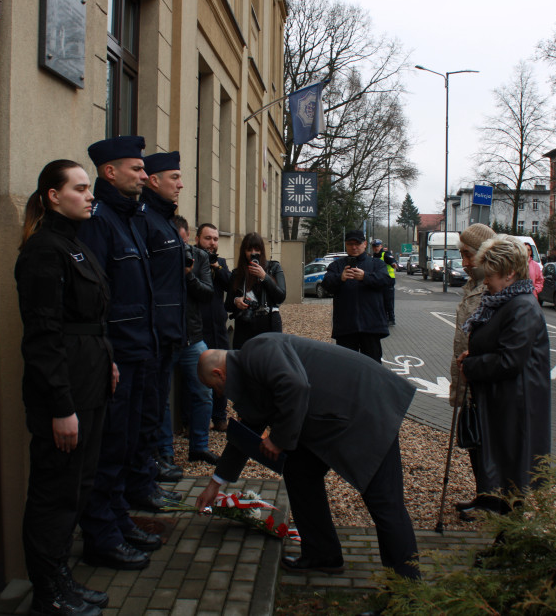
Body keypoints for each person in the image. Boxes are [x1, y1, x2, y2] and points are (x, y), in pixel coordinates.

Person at [195, 334, 420, 580]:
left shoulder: (257, 349)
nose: (218, 394)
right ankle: (322, 554)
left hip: (366, 406)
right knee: (299, 471)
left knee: (384, 503)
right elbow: (247, 430)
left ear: (219, 373)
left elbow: (295, 386)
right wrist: (215, 483)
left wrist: (278, 439)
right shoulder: (248, 371)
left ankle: (406, 588)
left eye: (213, 387)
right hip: (332, 417)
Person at [16, 160, 118, 615]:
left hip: (90, 383)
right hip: (64, 392)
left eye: (88, 188)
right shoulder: (43, 251)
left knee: (79, 485)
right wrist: (60, 405)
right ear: (53, 196)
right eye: (79, 188)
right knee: (55, 492)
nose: (90, 195)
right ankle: (48, 593)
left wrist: (107, 360)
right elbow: (43, 335)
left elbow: (91, 318)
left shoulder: (75, 245)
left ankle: (61, 579)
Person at [76, 136, 160, 571]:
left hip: (138, 352)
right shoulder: (99, 221)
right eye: (136, 168)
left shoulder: (129, 218)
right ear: (109, 172)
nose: (145, 175)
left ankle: (118, 519)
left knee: (125, 446)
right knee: (107, 450)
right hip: (116, 357)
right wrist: (106, 356)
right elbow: (95, 298)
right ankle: (101, 536)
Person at [458, 237, 551, 519]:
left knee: (514, 468)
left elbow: (510, 360)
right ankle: (499, 517)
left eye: (490, 274)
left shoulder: (522, 306)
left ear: (509, 273)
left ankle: (510, 533)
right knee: (503, 462)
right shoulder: (505, 301)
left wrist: (472, 365)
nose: (486, 281)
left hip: (516, 402)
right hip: (504, 397)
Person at [135, 151, 189, 496]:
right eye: (174, 177)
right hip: (152, 334)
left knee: (156, 406)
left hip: (168, 333)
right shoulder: (145, 220)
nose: (180, 184)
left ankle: (152, 467)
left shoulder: (165, 220)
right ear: (153, 181)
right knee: (147, 408)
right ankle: (146, 473)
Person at [448, 224, 496, 513]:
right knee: (475, 441)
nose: (464, 263)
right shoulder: (472, 286)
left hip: (484, 380)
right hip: (469, 377)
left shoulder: (494, 289)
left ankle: (493, 500)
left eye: (468, 255)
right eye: (462, 255)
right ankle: (483, 495)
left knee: (487, 444)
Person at [164, 215, 217, 465]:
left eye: (184, 243)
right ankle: (164, 452)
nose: (181, 248)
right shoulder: (158, 254)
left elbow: (207, 294)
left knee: (204, 392)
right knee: (160, 397)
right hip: (164, 338)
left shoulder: (199, 257)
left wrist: (188, 275)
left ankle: (199, 446)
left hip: (192, 337)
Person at [322, 230, 391, 362]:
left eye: (357, 244)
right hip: (346, 327)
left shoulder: (376, 264)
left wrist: (366, 277)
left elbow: (386, 281)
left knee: (372, 366)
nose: (354, 247)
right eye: (350, 244)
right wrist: (340, 278)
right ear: (345, 245)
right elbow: (326, 284)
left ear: (364, 244)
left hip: (371, 326)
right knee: (347, 366)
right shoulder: (336, 266)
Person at [196, 223, 231, 432]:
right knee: (199, 374)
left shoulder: (221, 263)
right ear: (198, 239)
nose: (212, 243)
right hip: (199, 327)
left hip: (219, 327)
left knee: (222, 372)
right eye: (208, 238)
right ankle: (199, 418)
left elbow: (230, 285)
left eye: (215, 239)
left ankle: (220, 416)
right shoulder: (192, 259)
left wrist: (217, 267)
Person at [227, 232, 286, 349]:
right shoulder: (237, 273)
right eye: (249, 250)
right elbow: (227, 305)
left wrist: (265, 277)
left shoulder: (273, 268)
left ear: (262, 251)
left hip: (268, 323)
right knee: (244, 358)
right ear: (244, 252)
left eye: (257, 250)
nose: (253, 253)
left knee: (269, 358)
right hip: (244, 324)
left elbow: (281, 296)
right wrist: (236, 301)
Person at [371, 239, 398, 325]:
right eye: (374, 247)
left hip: (388, 281)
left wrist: (393, 264)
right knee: (380, 301)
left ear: (381, 246)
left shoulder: (385, 254)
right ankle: (383, 318)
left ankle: (391, 319)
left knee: (388, 301)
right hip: (379, 281)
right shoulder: (374, 257)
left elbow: (392, 261)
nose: (376, 248)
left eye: (377, 246)